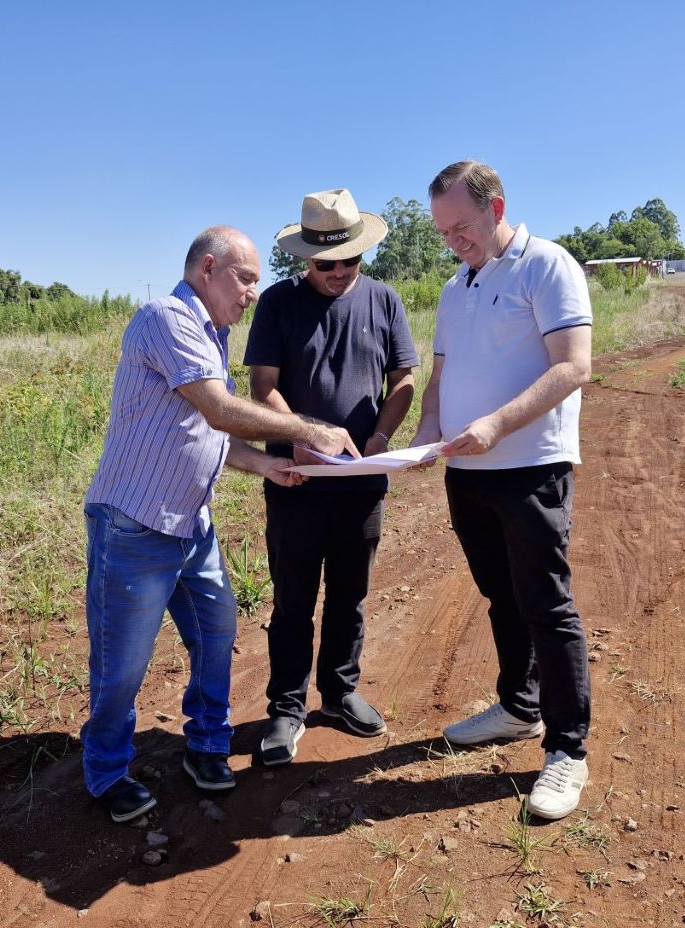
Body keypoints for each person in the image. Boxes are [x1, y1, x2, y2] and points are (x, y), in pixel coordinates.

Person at [82, 226, 359, 823]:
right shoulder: (165, 318)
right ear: (209, 268)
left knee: (214, 633)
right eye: (246, 278)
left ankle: (206, 745)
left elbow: (205, 433)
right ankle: (106, 771)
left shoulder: (214, 333)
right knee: (122, 661)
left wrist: (267, 465)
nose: (253, 292)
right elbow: (219, 408)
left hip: (190, 524)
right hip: (134, 525)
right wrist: (312, 432)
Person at [410, 161, 594, 820]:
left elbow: (573, 364)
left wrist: (494, 424)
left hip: (530, 466)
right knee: (500, 596)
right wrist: (428, 432)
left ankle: (567, 750)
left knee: (547, 604)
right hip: (468, 475)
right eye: (443, 230)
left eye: (460, 225)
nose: (451, 239)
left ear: (496, 208)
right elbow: (440, 376)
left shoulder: (547, 266)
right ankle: (520, 708)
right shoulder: (456, 287)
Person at [244, 189, 419, 766]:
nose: (340, 273)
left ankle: (340, 692)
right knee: (294, 599)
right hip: (295, 479)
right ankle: (286, 708)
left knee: (350, 594)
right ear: (305, 259)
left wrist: (381, 439)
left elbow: (403, 379)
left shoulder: (385, 301)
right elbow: (262, 387)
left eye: (350, 261)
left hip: (362, 482)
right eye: (326, 264)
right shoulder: (276, 304)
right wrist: (301, 435)